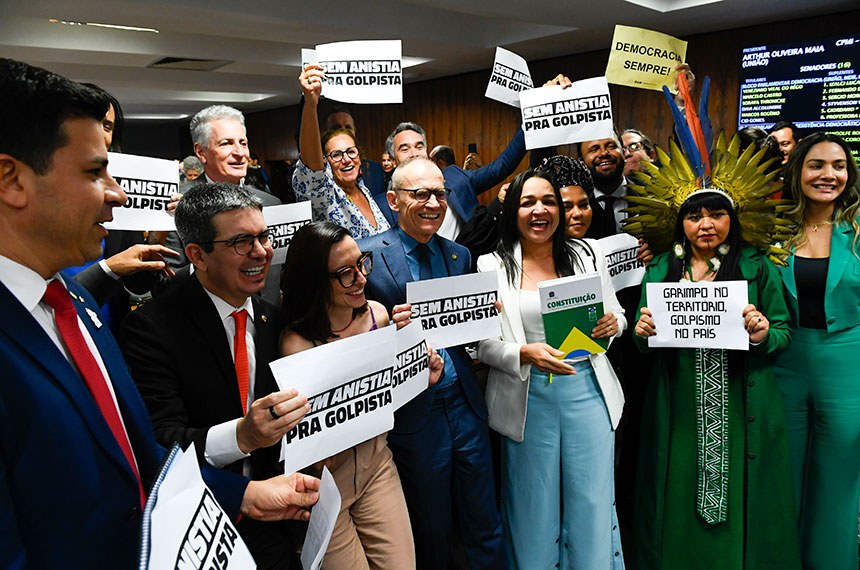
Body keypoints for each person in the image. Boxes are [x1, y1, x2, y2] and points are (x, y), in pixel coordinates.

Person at [0, 57, 319, 568]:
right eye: (93, 170)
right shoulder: (138, 319)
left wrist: (243, 496)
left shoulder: (77, 304)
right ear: (11, 180)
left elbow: (138, 452)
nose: (117, 193)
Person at [120, 182, 313, 567]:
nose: (261, 253)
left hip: (277, 515)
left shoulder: (271, 316)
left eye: (263, 237)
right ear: (197, 255)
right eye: (242, 242)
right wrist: (241, 436)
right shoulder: (151, 329)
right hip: (201, 525)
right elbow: (160, 440)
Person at [629, 139, 800, 568]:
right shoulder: (661, 268)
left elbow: (782, 332)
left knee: (745, 491)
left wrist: (762, 333)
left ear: (733, 219)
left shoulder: (756, 266)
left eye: (716, 214)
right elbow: (639, 338)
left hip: (744, 403)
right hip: (678, 406)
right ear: (680, 223)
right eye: (694, 215)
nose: (706, 224)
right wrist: (643, 331)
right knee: (677, 487)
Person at [356, 157, 506, 569]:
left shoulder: (460, 255)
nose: (433, 203)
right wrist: (387, 329)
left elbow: (470, 336)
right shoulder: (366, 257)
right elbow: (347, 336)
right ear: (392, 199)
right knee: (431, 527)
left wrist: (483, 314)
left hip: (466, 404)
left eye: (440, 193)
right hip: (413, 414)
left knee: (484, 518)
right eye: (420, 194)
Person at [476, 169, 626, 568]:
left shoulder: (587, 253)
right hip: (528, 401)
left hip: (588, 392)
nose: (539, 210)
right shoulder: (491, 264)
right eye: (528, 202)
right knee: (532, 502)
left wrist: (615, 324)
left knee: (590, 498)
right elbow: (481, 344)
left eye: (548, 201)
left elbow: (618, 315)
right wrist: (523, 352)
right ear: (513, 210)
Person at [281, 221, 443, 569]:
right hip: (325, 485)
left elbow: (386, 393)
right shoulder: (296, 345)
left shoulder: (378, 315)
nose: (361, 278)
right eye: (344, 272)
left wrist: (421, 371)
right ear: (313, 280)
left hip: (377, 464)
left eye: (361, 263)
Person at [773, 132, 860, 570]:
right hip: (784, 366)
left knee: (838, 486)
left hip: (848, 367)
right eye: (817, 165)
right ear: (798, 171)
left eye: (838, 166)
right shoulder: (771, 228)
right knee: (782, 484)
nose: (828, 175)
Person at [293, 65, 390, 239]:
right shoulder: (326, 194)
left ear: (359, 156)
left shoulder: (362, 189)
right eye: (336, 155)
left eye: (351, 152)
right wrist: (310, 103)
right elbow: (311, 166)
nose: (346, 159)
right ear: (325, 161)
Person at [385, 121, 526, 241]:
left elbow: (502, 166)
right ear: (392, 160)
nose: (414, 153)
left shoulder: (456, 177)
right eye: (405, 149)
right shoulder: (382, 205)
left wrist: (530, 121)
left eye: (419, 146)